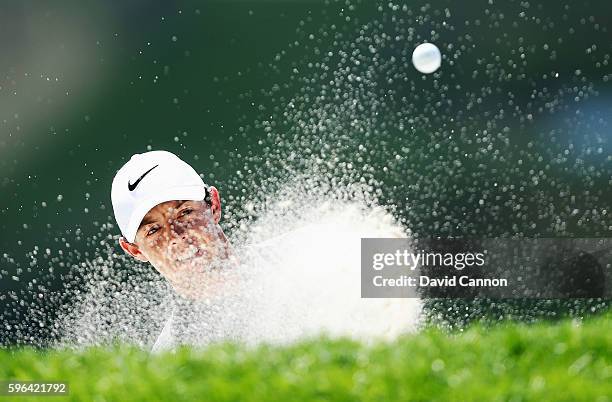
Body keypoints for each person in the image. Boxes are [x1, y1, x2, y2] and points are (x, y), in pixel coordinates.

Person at [111, 150, 234, 351]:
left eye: (185, 213)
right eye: (154, 230)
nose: (176, 236)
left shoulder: (299, 256)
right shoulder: (172, 362)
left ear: (214, 205)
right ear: (134, 250)